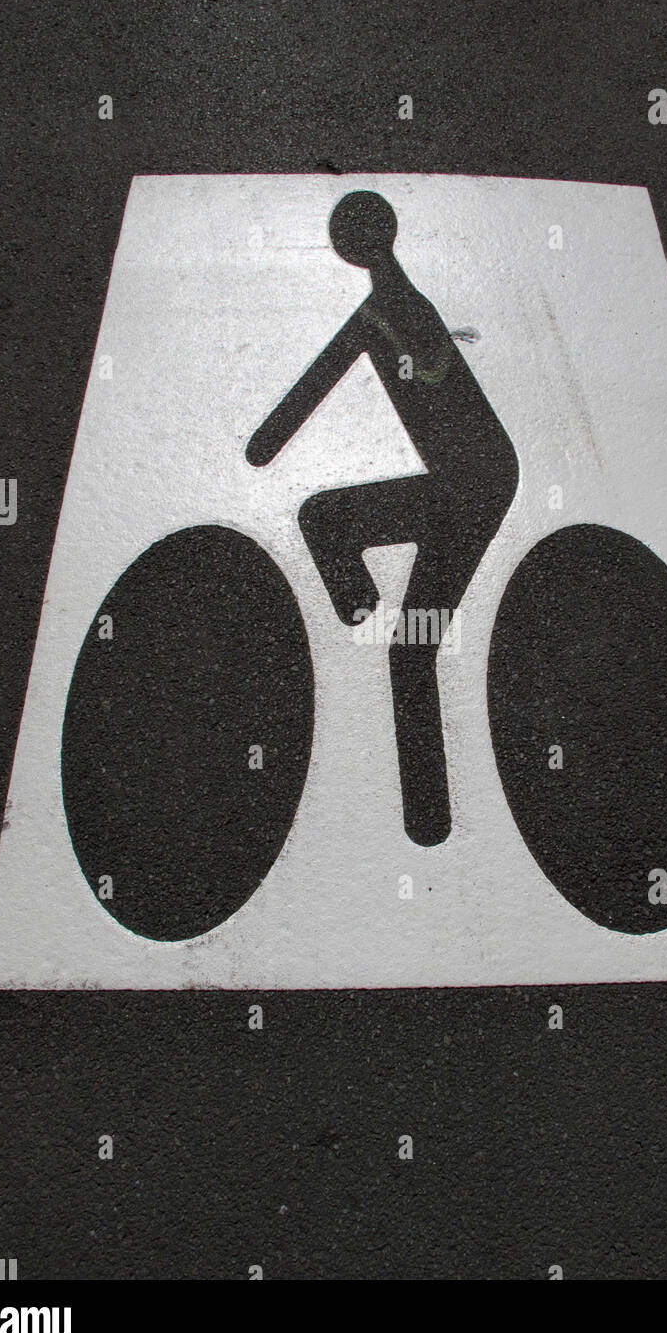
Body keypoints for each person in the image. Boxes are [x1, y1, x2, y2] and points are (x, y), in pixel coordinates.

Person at [247, 191, 519, 846]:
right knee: (407, 644)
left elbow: (310, 389)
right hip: (474, 478)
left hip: (471, 484)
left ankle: (429, 826)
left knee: (328, 524)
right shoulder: (393, 310)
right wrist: (265, 441)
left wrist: (264, 445)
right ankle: (428, 821)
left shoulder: (390, 313)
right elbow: (313, 386)